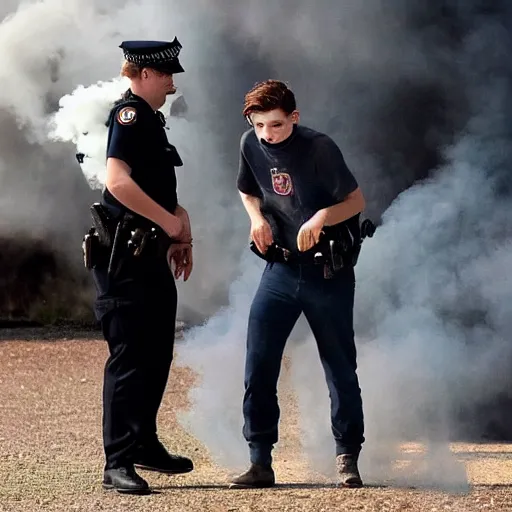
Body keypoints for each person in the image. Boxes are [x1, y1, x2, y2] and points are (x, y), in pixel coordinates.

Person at [231, 79, 367, 489]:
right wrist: (256, 219)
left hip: (328, 273)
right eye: (259, 126)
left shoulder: (319, 147)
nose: (266, 135)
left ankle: (347, 457)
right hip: (281, 270)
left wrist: (321, 217)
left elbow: (357, 201)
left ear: (294, 117)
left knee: (339, 365)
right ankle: (260, 461)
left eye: (275, 125)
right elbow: (246, 190)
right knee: (259, 363)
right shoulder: (249, 144)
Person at [85, 38, 194, 495]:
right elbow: (118, 181)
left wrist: (180, 227)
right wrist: (169, 222)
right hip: (126, 259)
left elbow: (155, 184)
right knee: (130, 358)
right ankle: (117, 463)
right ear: (144, 74)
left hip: (149, 254)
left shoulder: (150, 119)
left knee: (155, 353)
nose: (172, 82)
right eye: (166, 73)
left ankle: (144, 443)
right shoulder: (129, 115)